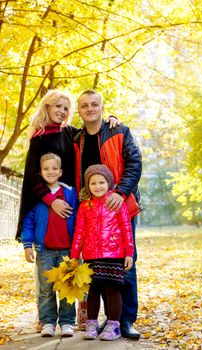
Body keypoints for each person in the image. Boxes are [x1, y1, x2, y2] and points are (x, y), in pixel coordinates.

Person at [15, 89, 119, 330]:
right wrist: (51, 201)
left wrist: (113, 117)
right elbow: (32, 175)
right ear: (47, 108)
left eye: (65, 108)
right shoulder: (38, 137)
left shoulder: (70, 132)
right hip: (47, 203)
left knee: (74, 259)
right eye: (57, 107)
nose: (61, 111)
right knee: (45, 268)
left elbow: (94, 128)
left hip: (72, 202)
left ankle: (78, 314)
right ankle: (46, 316)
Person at [73, 89, 142, 340]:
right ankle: (109, 320)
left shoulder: (119, 131)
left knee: (126, 264)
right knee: (99, 270)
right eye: (84, 106)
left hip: (119, 207)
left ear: (102, 108)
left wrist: (120, 192)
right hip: (91, 213)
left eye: (94, 105)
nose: (90, 109)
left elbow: (135, 163)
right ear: (78, 111)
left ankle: (126, 321)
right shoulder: (76, 138)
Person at [71, 164, 134, 341]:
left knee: (113, 290)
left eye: (101, 182)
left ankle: (114, 325)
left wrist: (129, 252)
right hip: (91, 255)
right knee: (92, 290)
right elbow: (79, 233)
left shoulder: (116, 203)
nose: (97, 186)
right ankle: (91, 323)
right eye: (93, 183)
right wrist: (75, 255)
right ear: (87, 186)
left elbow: (126, 229)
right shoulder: (85, 207)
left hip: (114, 255)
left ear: (109, 183)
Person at [20, 153, 78, 337]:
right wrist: (27, 244)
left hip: (67, 250)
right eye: (46, 169)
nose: (50, 172)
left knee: (67, 286)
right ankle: (48, 322)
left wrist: (78, 245)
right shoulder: (37, 196)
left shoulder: (69, 192)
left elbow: (78, 219)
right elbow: (28, 221)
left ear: (60, 172)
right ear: (40, 172)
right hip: (44, 250)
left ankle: (68, 322)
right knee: (46, 289)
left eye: (54, 168)